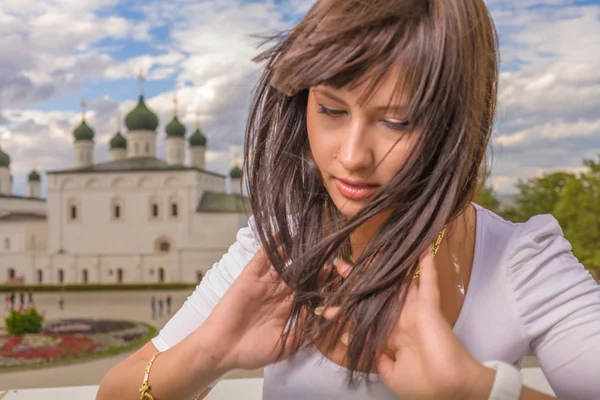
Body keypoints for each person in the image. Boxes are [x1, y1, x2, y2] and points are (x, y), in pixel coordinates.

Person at [97, 1, 600, 400]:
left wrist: (478, 392)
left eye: (397, 121)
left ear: (456, 124)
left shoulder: (521, 262)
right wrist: (210, 352)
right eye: (331, 109)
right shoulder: (277, 248)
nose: (353, 156)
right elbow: (114, 392)